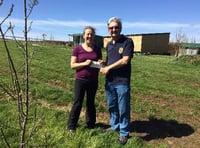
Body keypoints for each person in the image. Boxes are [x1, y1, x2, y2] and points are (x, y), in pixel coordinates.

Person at [100, 17, 134, 145]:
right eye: (111, 27)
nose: (114, 30)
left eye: (116, 27)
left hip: (122, 81)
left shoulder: (127, 42)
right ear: (108, 30)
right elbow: (111, 61)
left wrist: (108, 67)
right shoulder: (109, 44)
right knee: (112, 106)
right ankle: (114, 126)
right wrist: (104, 63)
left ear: (120, 28)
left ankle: (124, 133)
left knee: (123, 108)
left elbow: (125, 60)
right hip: (110, 81)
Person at [67, 26, 103, 133]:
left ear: (94, 36)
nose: (89, 36)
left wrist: (102, 63)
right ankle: (71, 126)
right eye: (87, 34)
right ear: (83, 36)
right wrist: (84, 63)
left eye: (91, 34)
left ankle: (91, 124)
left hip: (93, 80)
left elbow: (99, 63)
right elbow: (72, 65)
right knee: (78, 102)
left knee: (91, 103)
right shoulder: (77, 49)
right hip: (81, 80)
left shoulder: (97, 49)